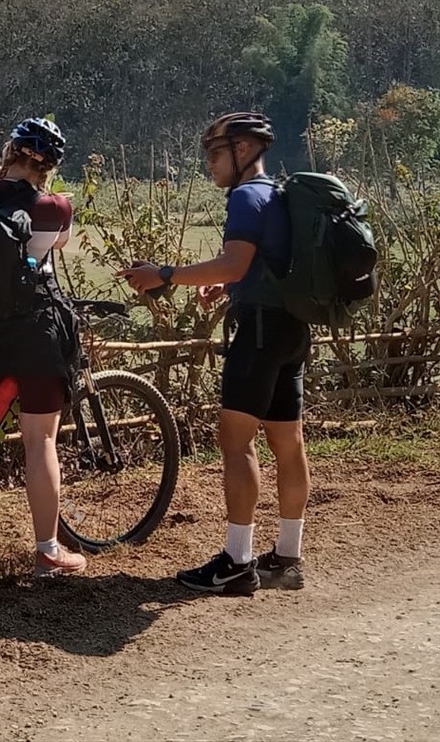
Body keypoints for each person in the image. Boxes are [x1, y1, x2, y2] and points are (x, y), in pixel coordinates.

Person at [117, 111, 309, 595]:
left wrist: (165, 273)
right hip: (291, 329)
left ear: (243, 150)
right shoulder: (279, 194)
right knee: (288, 444)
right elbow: (260, 266)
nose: (209, 165)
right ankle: (287, 558)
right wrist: (228, 286)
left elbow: (235, 260)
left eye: (215, 154)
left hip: (259, 334)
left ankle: (237, 563)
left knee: (236, 441)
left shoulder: (246, 196)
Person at [0, 117, 87, 578]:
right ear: (48, 167)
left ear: (9, 151)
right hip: (36, 332)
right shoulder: (55, 207)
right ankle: (47, 551)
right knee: (39, 439)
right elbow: (57, 247)